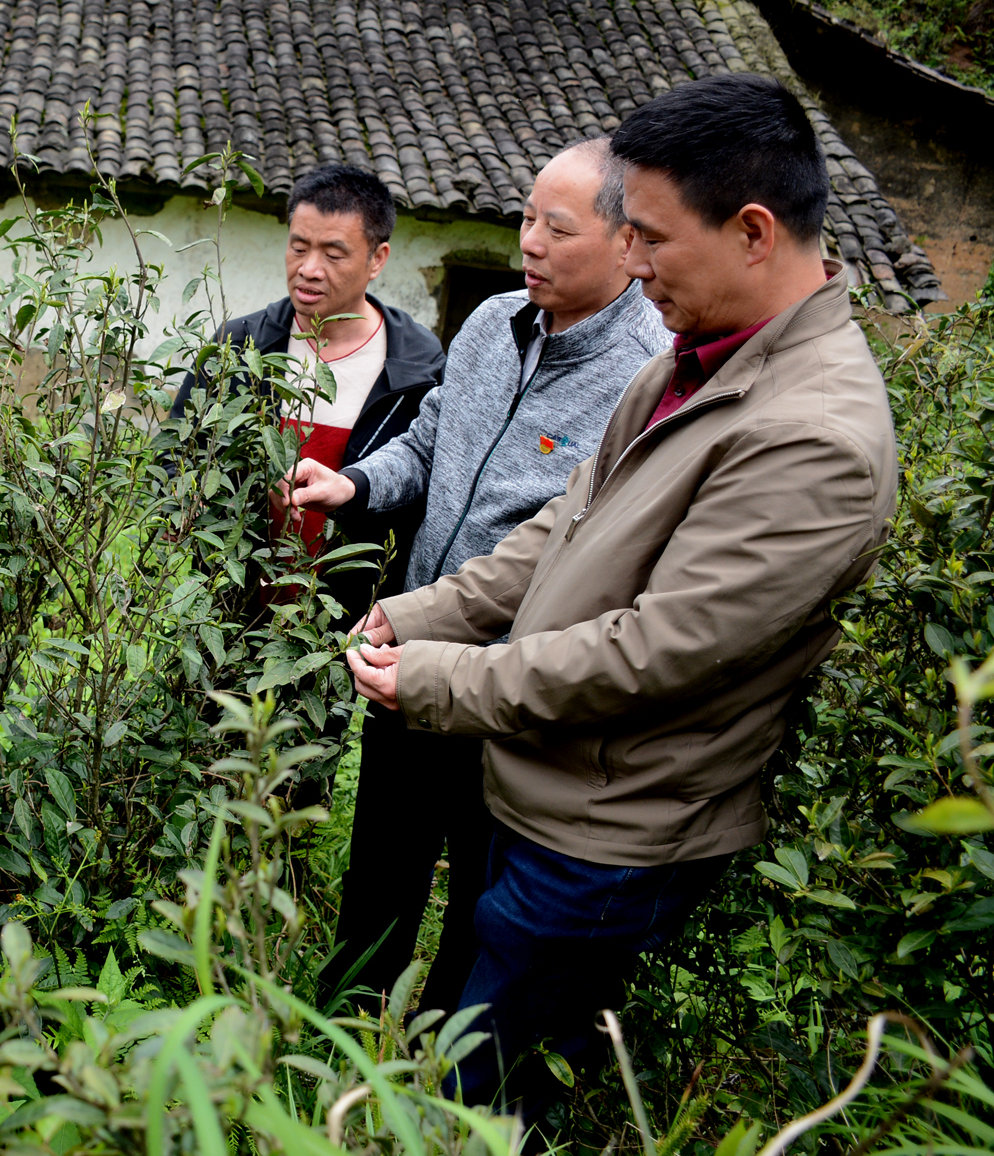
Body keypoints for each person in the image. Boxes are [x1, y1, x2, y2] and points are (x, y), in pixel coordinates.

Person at [342, 74, 897, 1137]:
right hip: (546, 787)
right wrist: (421, 616)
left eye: (646, 237)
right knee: (468, 1070)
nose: (630, 265)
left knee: (478, 1105)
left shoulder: (812, 435)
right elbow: (559, 535)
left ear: (749, 231)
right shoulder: (689, 368)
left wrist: (441, 681)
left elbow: (654, 651)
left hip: (607, 835)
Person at [287, 139, 670, 1017]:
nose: (529, 242)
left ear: (625, 240)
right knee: (382, 858)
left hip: (513, 682)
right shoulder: (495, 323)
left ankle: (441, 1062)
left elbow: (586, 542)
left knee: (484, 892)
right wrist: (357, 482)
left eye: (557, 228)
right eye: (527, 218)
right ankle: (341, 1029)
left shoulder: (646, 375)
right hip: (409, 647)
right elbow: (428, 438)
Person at [169, 163, 445, 618]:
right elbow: (177, 456)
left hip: (347, 621)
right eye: (298, 247)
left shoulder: (417, 366)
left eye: (334, 254)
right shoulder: (238, 345)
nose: (308, 269)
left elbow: (422, 486)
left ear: (377, 259)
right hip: (233, 609)